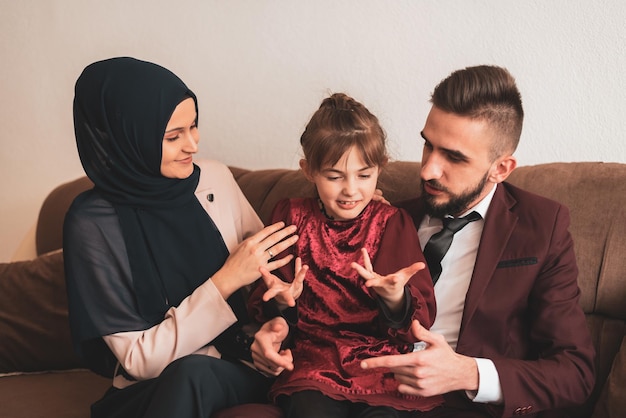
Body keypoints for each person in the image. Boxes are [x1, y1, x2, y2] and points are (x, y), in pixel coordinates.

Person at [252, 66, 596, 417]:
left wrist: (469, 372)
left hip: (457, 403)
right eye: (428, 145)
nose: (428, 170)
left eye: (454, 157)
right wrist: (275, 326)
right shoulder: (385, 216)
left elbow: (575, 372)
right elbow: (330, 309)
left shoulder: (541, 227)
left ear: (501, 169)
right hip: (363, 384)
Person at [63, 57, 299, 418]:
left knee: (194, 375)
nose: (193, 145)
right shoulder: (93, 223)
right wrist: (224, 281)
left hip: (237, 368)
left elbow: (271, 285)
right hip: (151, 387)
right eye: (173, 136)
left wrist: (270, 329)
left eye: (194, 126)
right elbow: (139, 361)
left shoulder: (215, 181)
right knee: (188, 375)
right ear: (128, 138)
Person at [248, 93, 442, 418]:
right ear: (308, 171)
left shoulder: (391, 223)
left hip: (378, 363)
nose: (351, 190)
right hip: (313, 362)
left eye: (364, 176)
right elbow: (272, 303)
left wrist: (395, 298)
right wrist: (281, 303)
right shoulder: (290, 216)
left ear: (380, 169)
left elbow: (417, 318)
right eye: (335, 176)